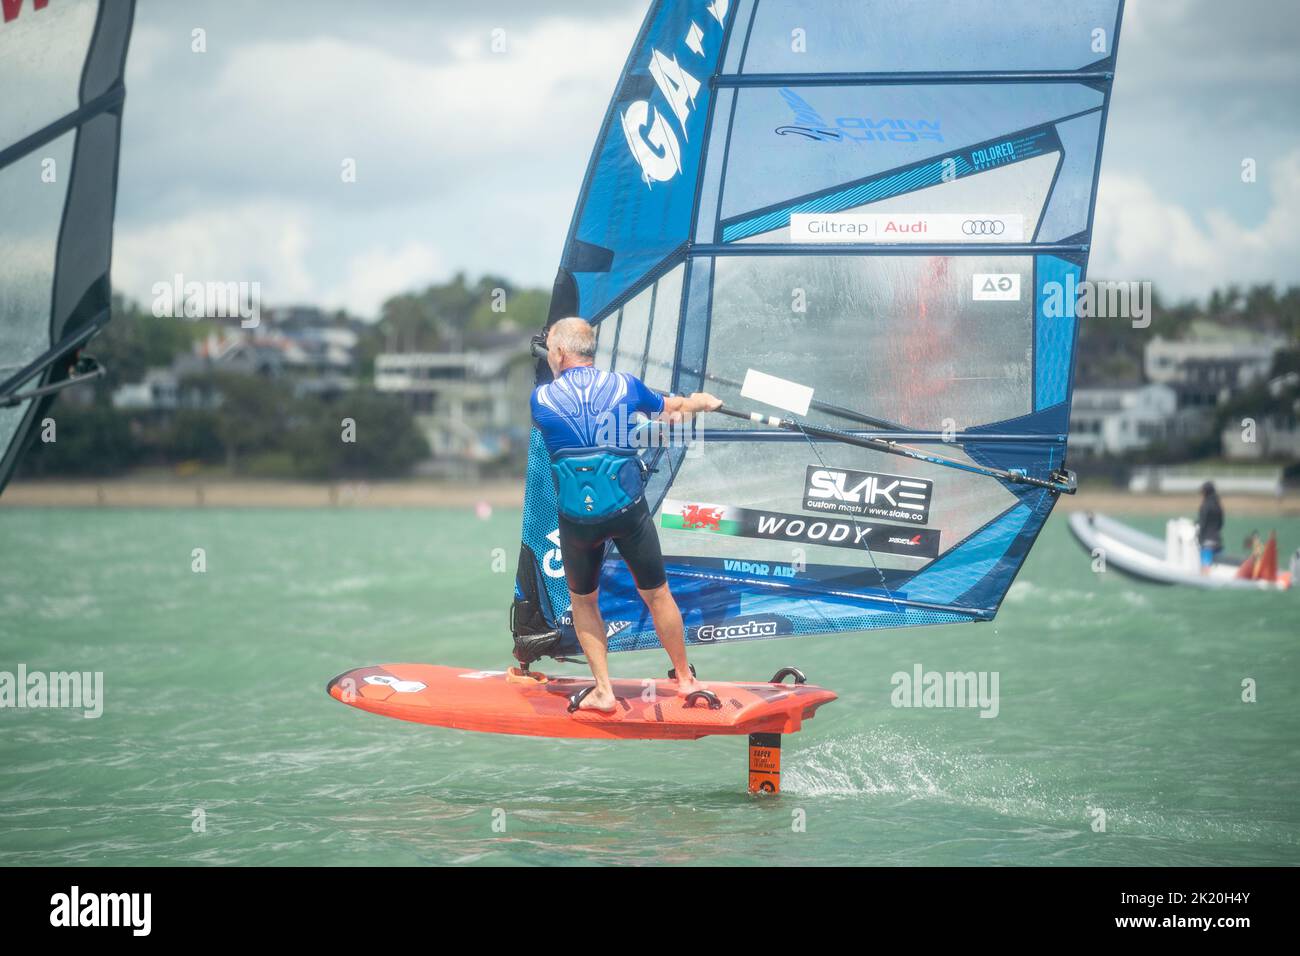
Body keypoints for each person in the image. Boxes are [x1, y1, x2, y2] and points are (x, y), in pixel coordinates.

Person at [530, 317, 722, 712]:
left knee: (584, 602)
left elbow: (570, 418)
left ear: (561, 353)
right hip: (626, 511)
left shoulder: (540, 401)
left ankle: (604, 690)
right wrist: (700, 401)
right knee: (656, 593)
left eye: (551, 348)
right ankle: (685, 679)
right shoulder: (626, 386)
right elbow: (674, 410)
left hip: (577, 522)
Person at [1196, 481, 1224, 573]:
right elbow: (1221, 524)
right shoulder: (1218, 506)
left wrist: (1199, 538)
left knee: (1205, 569)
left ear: (1205, 492)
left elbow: (1202, 523)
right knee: (1221, 570)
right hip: (1218, 541)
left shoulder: (1205, 506)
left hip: (1207, 542)